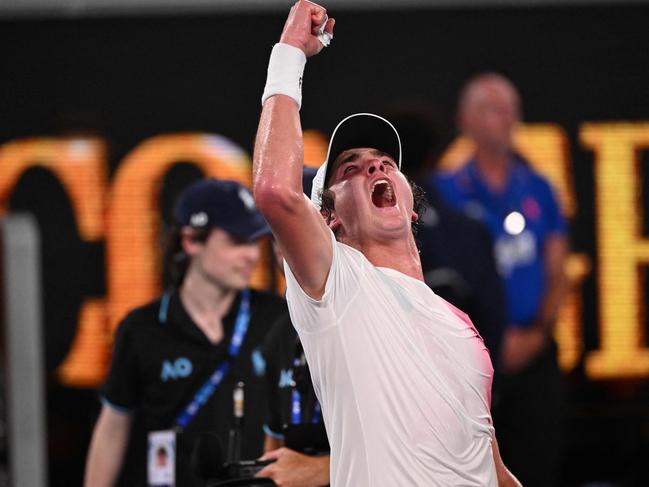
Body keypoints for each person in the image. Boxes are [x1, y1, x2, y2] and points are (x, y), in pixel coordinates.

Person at [252, 2, 520, 485]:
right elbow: (275, 191)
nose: (375, 167)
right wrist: (289, 52)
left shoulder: (459, 325)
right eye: (351, 168)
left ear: (411, 206)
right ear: (329, 221)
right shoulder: (337, 285)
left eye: (383, 162)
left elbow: (492, 469)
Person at [84, 178, 287, 487]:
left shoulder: (277, 317)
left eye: (254, 241)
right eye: (236, 241)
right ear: (191, 240)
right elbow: (113, 429)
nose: (252, 255)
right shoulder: (142, 329)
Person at [432, 72, 568, 487]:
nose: (503, 119)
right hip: (466, 361)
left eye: (509, 109)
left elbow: (558, 270)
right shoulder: (444, 191)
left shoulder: (539, 188)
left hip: (534, 352)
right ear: (464, 120)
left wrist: (537, 333)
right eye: (491, 109)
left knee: (539, 465)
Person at [385, 104, 507, 363]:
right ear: (433, 156)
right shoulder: (470, 231)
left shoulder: (358, 234)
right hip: (465, 383)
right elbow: (493, 320)